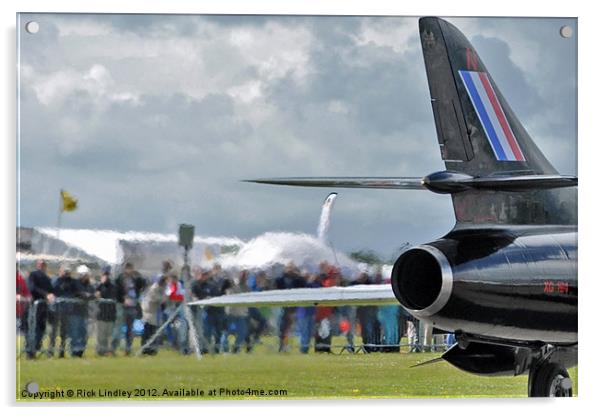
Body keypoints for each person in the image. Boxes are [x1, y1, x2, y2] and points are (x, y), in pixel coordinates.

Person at [113, 262, 146, 355]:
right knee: (118, 327)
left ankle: (128, 348)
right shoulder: (120, 279)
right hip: (122, 305)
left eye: (131, 269)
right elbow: (116, 292)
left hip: (132, 305)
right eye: (128, 269)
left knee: (130, 329)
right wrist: (123, 300)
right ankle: (113, 348)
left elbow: (143, 284)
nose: (130, 271)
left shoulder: (135, 279)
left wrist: (138, 276)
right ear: (125, 269)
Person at [25, 260, 54, 359]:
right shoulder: (33, 275)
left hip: (43, 307)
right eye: (40, 264)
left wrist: (51, 295)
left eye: (44, 265)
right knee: (33, 328)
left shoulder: (47, 278)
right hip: (34, 306)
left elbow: (51, 290)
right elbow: (32, 288)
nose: (42, 266)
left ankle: (35, 348)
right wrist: (46, 294)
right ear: (37, 265)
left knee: (41, 328)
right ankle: (30, 351)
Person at [275, 262, 305, 352]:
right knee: (282, 328)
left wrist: (299, 275)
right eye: (288, 268)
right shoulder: (280, 279)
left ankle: (286, 345)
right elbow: (276, 287)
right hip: (282, 306)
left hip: (293, 307)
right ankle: (282, 345)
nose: (290, 270)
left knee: (289, 328)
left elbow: (303, 285)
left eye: (292, 268)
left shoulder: (298, 279)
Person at [223, 270, 250, 353]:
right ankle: (224, 349)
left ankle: (236, 348)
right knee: (227, 332)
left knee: (242, 332)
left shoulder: (246, 287)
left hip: (241, 313)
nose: (244, 277)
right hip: (231, 313)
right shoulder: (232, 284)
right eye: (243, 274)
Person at [141, 275, 168, 355]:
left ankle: (153, 348)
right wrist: (165, 298)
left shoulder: (162, 288)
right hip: (149, 312)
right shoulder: (154, 288)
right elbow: (155, 299)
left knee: (154, 331)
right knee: (148, 331)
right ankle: (145, 348)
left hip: (155, 312)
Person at [95, 266, 117, 356]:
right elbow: (96, 295)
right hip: (101, 314)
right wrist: (101, 284)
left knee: (110, 334)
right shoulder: (99, 286)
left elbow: (114, 296)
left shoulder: (113, 287)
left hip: (111, 314)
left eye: (107, 275)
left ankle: (109, 350)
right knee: (101, 335)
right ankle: (101, 351)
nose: (106, 277)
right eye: (105, 275)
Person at [296, 271, 320, 353]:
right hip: (302, 312)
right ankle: (303, 349)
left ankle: (305, 349)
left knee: (309, 332)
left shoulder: (314, 285)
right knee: (304, 332)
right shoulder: (301, 284)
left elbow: (317, 289)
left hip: (311, 312)